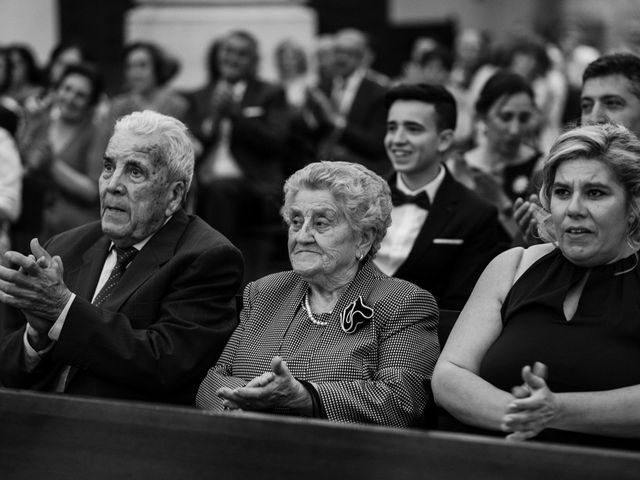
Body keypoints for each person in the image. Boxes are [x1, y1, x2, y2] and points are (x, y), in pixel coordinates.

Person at [0, 110, 243, 405]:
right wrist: (36, 339)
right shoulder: (64, 246)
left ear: (174, 195)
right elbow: (7, 369)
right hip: (37, 427)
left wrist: (64, 311)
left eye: (134, 171)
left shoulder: (207, 257)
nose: (112, 184)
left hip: (126, 437)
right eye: (108, 166)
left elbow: (165, 365)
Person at [432, 123, 640, 449]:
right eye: (562, 192)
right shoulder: (514, 265)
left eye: (595, 192)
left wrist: (557, 410)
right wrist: (521, 413)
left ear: (632, 206)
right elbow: (449, 375)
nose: (573, 209)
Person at [196, 161, 438, 426]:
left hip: (341, 459)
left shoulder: (402, 303)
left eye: (321, 223)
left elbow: (401, 401)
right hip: (246, 446)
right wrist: (236, 402)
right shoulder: (264, 292)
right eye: (296, 221)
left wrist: (306, 396)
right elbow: (214, 377)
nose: (302, 236)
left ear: (363, 239)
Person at [374, 83, 506, 310]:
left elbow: (458, 308)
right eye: (392, 127)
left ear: (444, 140)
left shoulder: (476, 215)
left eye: (413, 129)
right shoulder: (358, 197)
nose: (397, 139)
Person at [192, 30, 289, 283]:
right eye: (228, 51)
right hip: (205, 182)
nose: (232, 58)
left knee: (221, 190)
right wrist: (213, 119)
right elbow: (193, 145)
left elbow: (276, 143)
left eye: (241, 54)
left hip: (255, 188)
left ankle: (216, 273)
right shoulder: (201, 95)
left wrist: (236, 114)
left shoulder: (269, 93)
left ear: (254, 61)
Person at [515, 52, 640, 243]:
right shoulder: (551, 174)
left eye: (613, 103)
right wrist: (536, 240)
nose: (595, 117)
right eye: (587, 105)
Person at [13, 63, 105, 250]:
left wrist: (52, 165)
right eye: (67, 89)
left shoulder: (97, 134)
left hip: (75, 233)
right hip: (31, 228)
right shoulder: (41, 123)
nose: (70, 98)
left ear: (91, 103)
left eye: (80, 95)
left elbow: (92, 191)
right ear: (56, 90)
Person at [448, 70, 541, 238]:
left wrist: (500, 202)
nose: (515, 130)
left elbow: (534, 243)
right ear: (483, 116)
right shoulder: (458, 166)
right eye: (505, 117)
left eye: (523, 118)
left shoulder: (540, 167)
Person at [310, 28, 389, 175]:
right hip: (325, 172)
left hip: (364, 172)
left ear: (361, 57)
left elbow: (375, 144)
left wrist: (337, 123)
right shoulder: (322, 87)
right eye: (337, 52)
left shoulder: (378, 92)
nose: (341, 58)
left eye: (349, 53)